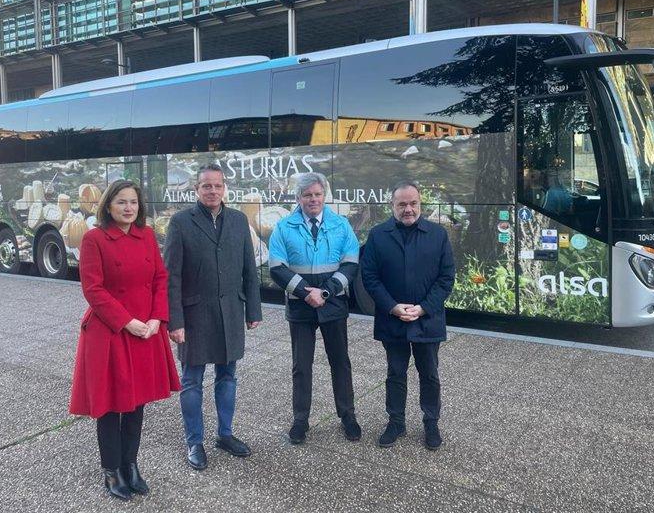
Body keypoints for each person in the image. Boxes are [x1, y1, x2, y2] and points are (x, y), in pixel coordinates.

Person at [70, 179, 181, 501]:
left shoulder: (146, 235)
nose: (128, 208)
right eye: (121, 202)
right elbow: (93, 289)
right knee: (110, 405)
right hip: (111, 332)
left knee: (137, 402)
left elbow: (161, 277)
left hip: (146, 330)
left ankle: (131, 464)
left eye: (133, 202)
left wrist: (156, 318)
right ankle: (111, 470)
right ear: (108, 205)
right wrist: (127, 322)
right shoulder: (94, 239)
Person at [165, 164, 262, 471]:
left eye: (217, 186)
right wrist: (174, 320)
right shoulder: (181, 222)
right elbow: (172, 277)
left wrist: (254, 311)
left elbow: (250, 268)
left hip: (231, 312)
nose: (213, 191)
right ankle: (194, 441)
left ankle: (225, 434)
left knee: (228, 376)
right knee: (192, 381)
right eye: (206, 186)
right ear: (197, 189)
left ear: (224, 188)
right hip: (195, 316)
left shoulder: (238, 220)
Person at [268, 172, 362, 445]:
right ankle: (300, 420)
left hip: (332, 303)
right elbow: (277, 268)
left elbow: (351, 264)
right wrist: (303, 291)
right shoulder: (284, 227)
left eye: (318, 194)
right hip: (300, 306)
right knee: (301, 366)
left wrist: (325, 291)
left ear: (325, 196)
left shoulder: (341, 225)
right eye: (307, 195)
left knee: (340, 362)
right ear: (298, 198)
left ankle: (348, 416)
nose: (313, 199)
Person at [360, 181, 455, 450]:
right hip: (393, 318)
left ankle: (431, 422)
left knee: (430, 374)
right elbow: (370, 276)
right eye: (402, 204)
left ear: (420, 204)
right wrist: (392, 306)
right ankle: (396, 422)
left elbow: (446, 278)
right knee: (395, 373)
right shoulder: (378, 235)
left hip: (427, 319)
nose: (408, 209)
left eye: (413, 203)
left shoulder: (438, 235)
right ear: (393, 206)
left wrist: (424, 307)